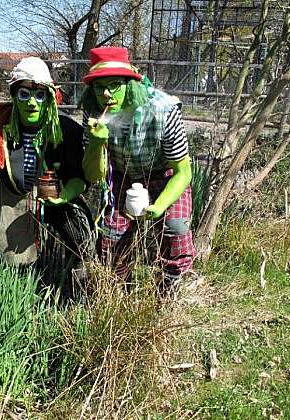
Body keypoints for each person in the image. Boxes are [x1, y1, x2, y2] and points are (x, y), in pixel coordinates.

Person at [0, 57, 93, 280]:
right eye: (24, 94)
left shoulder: (66, 130)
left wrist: (66, 194)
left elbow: (81, 176)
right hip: (15, 198)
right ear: (15, 96)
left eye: (40, 95)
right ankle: (20, 283)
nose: (32, 102)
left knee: (82, 243)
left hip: (58, 197)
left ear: (49, 97)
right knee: (15, 267)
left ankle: (75, 276)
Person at [80, 46, 196, 286]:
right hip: (122, 176)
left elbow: (183, 172)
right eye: (100, 87)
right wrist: (96, 143)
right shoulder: (93, 113)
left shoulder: (162, 110)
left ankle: (171, 288)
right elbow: (93, 176)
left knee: (174, 227)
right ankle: (117, 290)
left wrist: (160, 205)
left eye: (114, 85)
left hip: (166, 175)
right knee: (111, 235)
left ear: (129, 84)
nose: (107, 94)